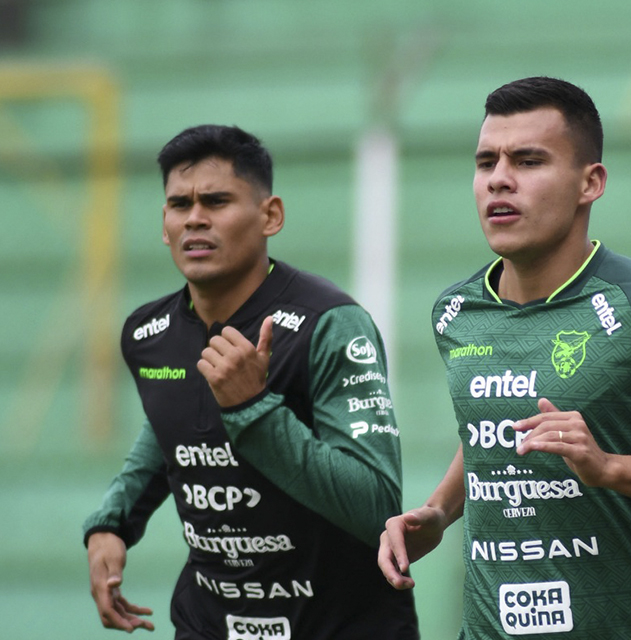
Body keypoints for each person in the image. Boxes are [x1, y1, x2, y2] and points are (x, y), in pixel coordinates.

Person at [378, 76, 631, 639]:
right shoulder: (455, 312)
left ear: (591, 182)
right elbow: (491, 428)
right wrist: (439, 510)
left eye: (529, 161)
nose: (499, 181)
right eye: (486, 163)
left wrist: (608, 467)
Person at [83, 124, 418, 638]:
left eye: (216, 201)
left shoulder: (329, 323)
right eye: (179, 204)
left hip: (339, 625)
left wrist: (253, 408)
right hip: (209, 623)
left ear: (270, 216)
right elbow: (170, 427)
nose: (195, 218)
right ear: (164, 224)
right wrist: (113, 522)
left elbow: (376, 505)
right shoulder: (147, 333)